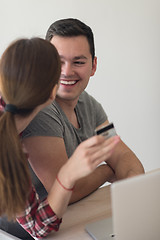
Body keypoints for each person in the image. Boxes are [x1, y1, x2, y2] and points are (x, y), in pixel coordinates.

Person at [0, 38, 120, 239]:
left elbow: (118, 149)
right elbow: (66, 193)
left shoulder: (91, 105)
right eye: (61, 62)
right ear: (52, 91)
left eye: (79, 62)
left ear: (94, 65)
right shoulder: (44, 117)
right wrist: (106, 170)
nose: (68, 71)